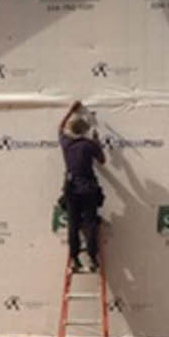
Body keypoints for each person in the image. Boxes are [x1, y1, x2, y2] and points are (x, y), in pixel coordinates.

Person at [58, 100, 105, 273]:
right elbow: (102, 161)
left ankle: (75, 259)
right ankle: (93, 258)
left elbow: (59, 128)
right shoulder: (89, 145)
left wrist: (71, 110)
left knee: (73, 223)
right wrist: (97, 143)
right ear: (84, 130)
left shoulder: (66, 144)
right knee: (91, 223)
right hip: (88, 189)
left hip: (71, 190)